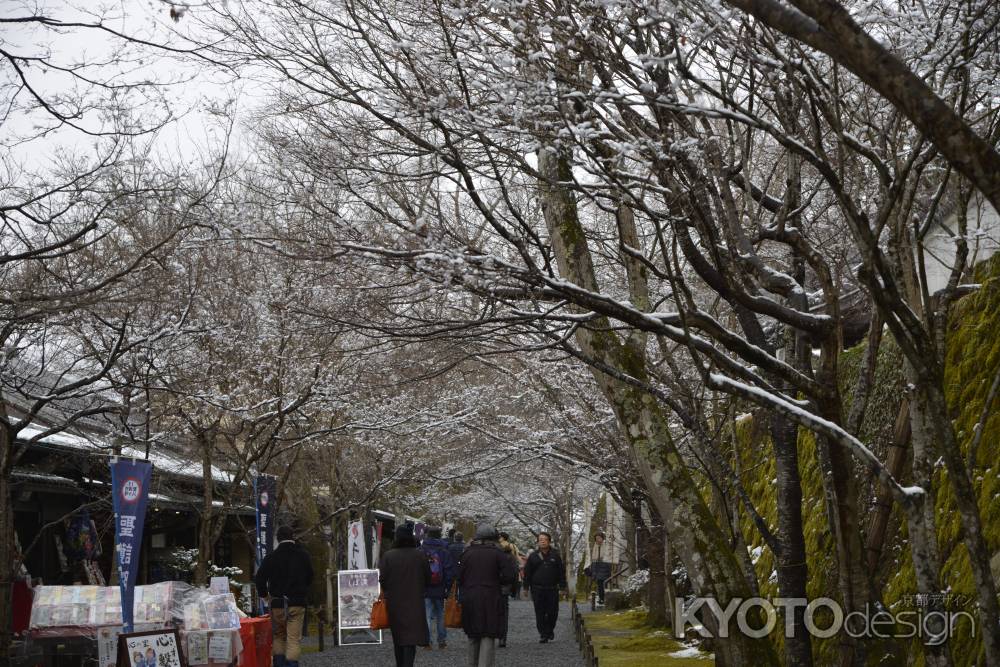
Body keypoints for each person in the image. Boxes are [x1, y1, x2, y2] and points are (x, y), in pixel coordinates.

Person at [255, 525, 314, 667]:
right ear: (292, 537)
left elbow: (259, 578)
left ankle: (279, 664)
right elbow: (310, 576)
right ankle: (292, 665)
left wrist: (265, 596)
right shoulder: (303, 555)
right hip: (296, 603)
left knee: (279, 636)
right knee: (293, 639)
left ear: (278, 538)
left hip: (277, 604)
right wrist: (301, 590)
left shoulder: (271, 557)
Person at [459, 524, 516, 666]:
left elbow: (459, 576)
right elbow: (509, 576)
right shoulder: (498, 554)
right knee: (487, 635)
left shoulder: (467, 553)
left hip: (470, 596)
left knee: (473, 635)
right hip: (491, 596)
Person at [380, 525, 431, 667]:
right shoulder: (419, 555)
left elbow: (382, 579)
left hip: (395, 602)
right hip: (415, 601)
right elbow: (428, 578)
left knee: (398, 637)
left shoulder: (388, 556)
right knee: (411, 638)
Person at [524, 531, 566, 643]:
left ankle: (550, 629)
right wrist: (526, 587)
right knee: (540, 612)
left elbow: (561, 572)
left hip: (552, 588)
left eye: (544, 539)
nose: (542, 541)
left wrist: (562, 587)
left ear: (549, 541)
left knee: (553, 612)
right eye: (540, 539)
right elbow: (527, 573)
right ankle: (543, 634)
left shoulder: (555, 555)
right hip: (537, 588)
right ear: (538, 542)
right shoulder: (533, 556)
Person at [419, 526, 456, 650]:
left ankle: (427, 642)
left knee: (427, 614)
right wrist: (447, 586)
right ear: (439, 535)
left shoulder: (421, 550)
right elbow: (449, 570)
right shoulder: (444, 550)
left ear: (428, 535)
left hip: (425, 587)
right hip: (440, 587)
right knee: (440, 614)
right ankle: (442, 641)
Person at [496, 532, 521, 648]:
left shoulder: (494, 547)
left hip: (492, 586)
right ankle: (502, 637)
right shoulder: (511, 547)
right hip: (506, 583)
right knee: (503, 612)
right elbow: (515, 563)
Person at [586, 531, 612, 606]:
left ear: (602, 538)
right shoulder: (595, 547)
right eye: (596, 538)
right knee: (599, 583)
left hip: (605, 565)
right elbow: (593, 558)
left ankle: (603, 599)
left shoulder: (606, 545)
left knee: (604, 582)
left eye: (599, 538)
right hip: (596, 566)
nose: (598, 539)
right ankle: (601, 599)